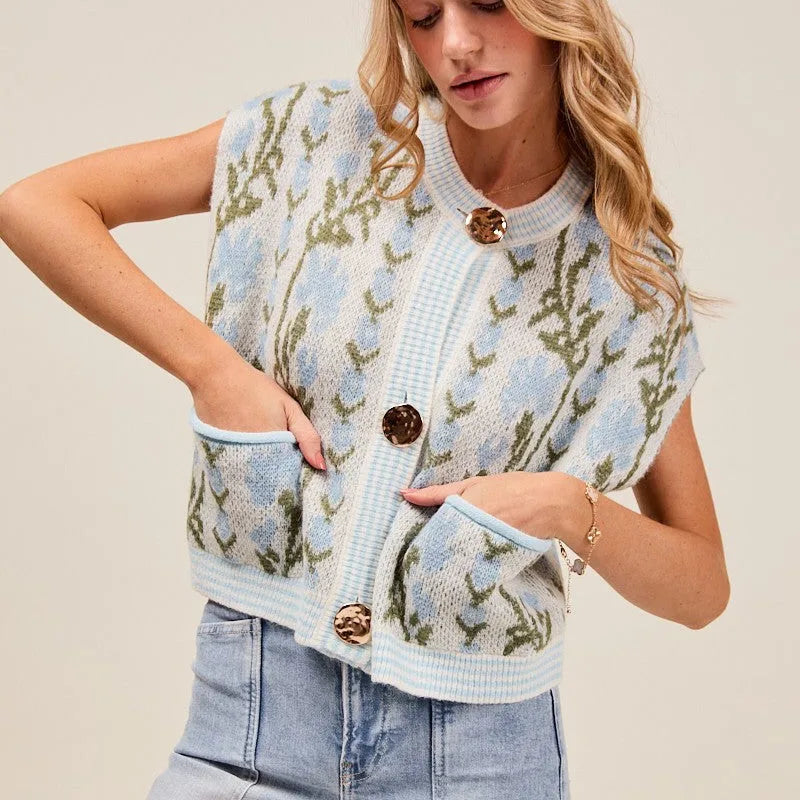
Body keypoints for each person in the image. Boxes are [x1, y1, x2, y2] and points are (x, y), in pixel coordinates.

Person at [0, 1, 729, 797]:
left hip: (478, 761)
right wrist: (213, 368)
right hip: (250, 724)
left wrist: (566, 506)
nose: (454, 44)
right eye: (422, 16)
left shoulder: (625, 279)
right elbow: (38, 205)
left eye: (489, 4)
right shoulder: (319, 139)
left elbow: (700, 586)